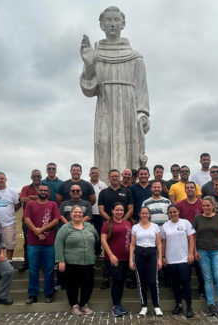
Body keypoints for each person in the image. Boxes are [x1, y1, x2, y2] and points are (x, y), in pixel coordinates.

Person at [80, 6, 150, 180]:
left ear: (123, 23)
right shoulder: (95, 55)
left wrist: (143, 113)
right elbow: (89, 90)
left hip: (128, 110)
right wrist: (89, 65)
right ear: (102, 25)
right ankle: (104, 189)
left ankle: (129, 191)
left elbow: (142, 89)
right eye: (108, 20)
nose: (112, 24)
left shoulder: (135, 58)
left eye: (116, 20)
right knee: (102, 144)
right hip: (105, 109)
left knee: (130, 150)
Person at [55, 206, 99, 316]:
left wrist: (95, 251)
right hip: (71, 262)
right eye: (75, 212)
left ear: (83, 214)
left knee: (88, 284)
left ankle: (84, 305)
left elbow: (97, 239)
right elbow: (58, 244)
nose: (78, 214)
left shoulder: (89, 227)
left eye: (80, 212)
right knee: (72, 285)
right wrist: (61, 260)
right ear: (71, 214)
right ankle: (74, 306)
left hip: (88, 262)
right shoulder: (65, 228)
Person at [23, 184, 60, 304]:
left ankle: (49, 293)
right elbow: (26, 219)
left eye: (45, 190)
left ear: (48, 193)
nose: (43, 192)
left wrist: (42, 229)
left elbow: (56, 220)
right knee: (33, 270)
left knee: (49, 270)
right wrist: (36, 231)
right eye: (41, 190)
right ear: (37, 191)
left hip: (49, 243)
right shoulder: (30, 204)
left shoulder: (53, 204)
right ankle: (32, 294)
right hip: (33, 243)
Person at [193, 196, 218, 317]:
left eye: (208, 205)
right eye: (203, 206)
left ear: (213, 206)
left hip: (217, 251)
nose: (206, 208)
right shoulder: (198, 218)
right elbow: (194, 236)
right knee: (207, 279)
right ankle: (211, 305)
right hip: (203, 252)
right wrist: (194, 251)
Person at [98, 169, 134, 289]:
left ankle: (128, 277)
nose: (114, 178)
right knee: (107, 249)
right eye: (112, 176)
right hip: (108, 225)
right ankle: (106, 278)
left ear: (120, 177)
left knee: (127, 248)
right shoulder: (103, 192)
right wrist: (111, 220)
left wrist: (122, 220)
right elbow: (101, 209)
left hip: (124, 226)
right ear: (109, 178)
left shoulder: (126, 191)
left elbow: (130, 209)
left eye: (116, 176)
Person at [160, 204, 195, 318]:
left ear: (178, 212)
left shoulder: (185, 223)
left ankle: (189, 307)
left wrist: (191, 254)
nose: (173, 214)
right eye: (170, 212)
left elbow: (191, 238)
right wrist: (163, 256)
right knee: (174, 284)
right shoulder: (165, 226)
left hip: (184, 258)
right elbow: (163, 242)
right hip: (171, 259)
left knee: (185, 282)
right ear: (168, 214)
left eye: (174, 211)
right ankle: (178, 305)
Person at [129, 207, 163, 316]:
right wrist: (131, 260)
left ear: (149, 214)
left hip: (152, 253)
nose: (144, 215)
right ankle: (144, 306)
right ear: (139, 214)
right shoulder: (135, 227)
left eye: (146, 213)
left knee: (153, 281)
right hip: (139, 254)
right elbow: (132, 244)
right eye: (142, 213)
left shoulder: (155, 226)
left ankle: (156, 306)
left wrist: (160, 259)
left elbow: (158, 244)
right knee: (141, 281)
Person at [100, 202, 132, 317]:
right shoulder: (107, 224)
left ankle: (119, 304)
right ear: (112, 211)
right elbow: (103, 240)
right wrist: (111, 255)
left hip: (125, 258)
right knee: (117, 279)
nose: (119, 212)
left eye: (121, 210)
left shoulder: (128, 223)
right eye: (117, 210)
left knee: (121, 281)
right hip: (112, 258)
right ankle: (115, 306)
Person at [176, 181, 205, 299]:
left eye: (192, 188)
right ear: (185, 190)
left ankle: (202, 290)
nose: (190, 190)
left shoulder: (202, 204)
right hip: (184, 239)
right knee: (185, 266)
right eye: (187, 188)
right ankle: (184, 289)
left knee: (200, 266)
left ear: (195, 189)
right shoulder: (180, 205)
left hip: (199, 238)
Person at [0, 172, 21, 262]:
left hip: (9, 223)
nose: (0, 180)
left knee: (10, 244)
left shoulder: (12, 192)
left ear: (5, 179)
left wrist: (10, 212)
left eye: (2, 178)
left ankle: (9, 261)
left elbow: (18, 204)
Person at [19, 169, 42, 272]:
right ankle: (27, 262)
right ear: (31, 177)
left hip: (41, 220)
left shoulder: (44, 188)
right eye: (34, 176)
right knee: (27, 242)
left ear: (41, 177)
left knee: (41, 241)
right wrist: (38, 199)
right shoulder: (25, 188)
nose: (36, 178)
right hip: (27, 220)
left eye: (38, 176)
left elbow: (46, 198)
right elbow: (23, 199)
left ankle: (40, 263)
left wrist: (31, 198)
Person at [89, 167, 107, 256]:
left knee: (98, 233)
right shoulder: (86, 184)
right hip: (88, 213)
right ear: (90, 174)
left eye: (96, 173)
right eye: (93, 173)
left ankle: (98, 252)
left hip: (99, 213)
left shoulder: (103, 185)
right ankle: (88, 251)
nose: (94, 174)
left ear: (98, 174)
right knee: (87, 233)